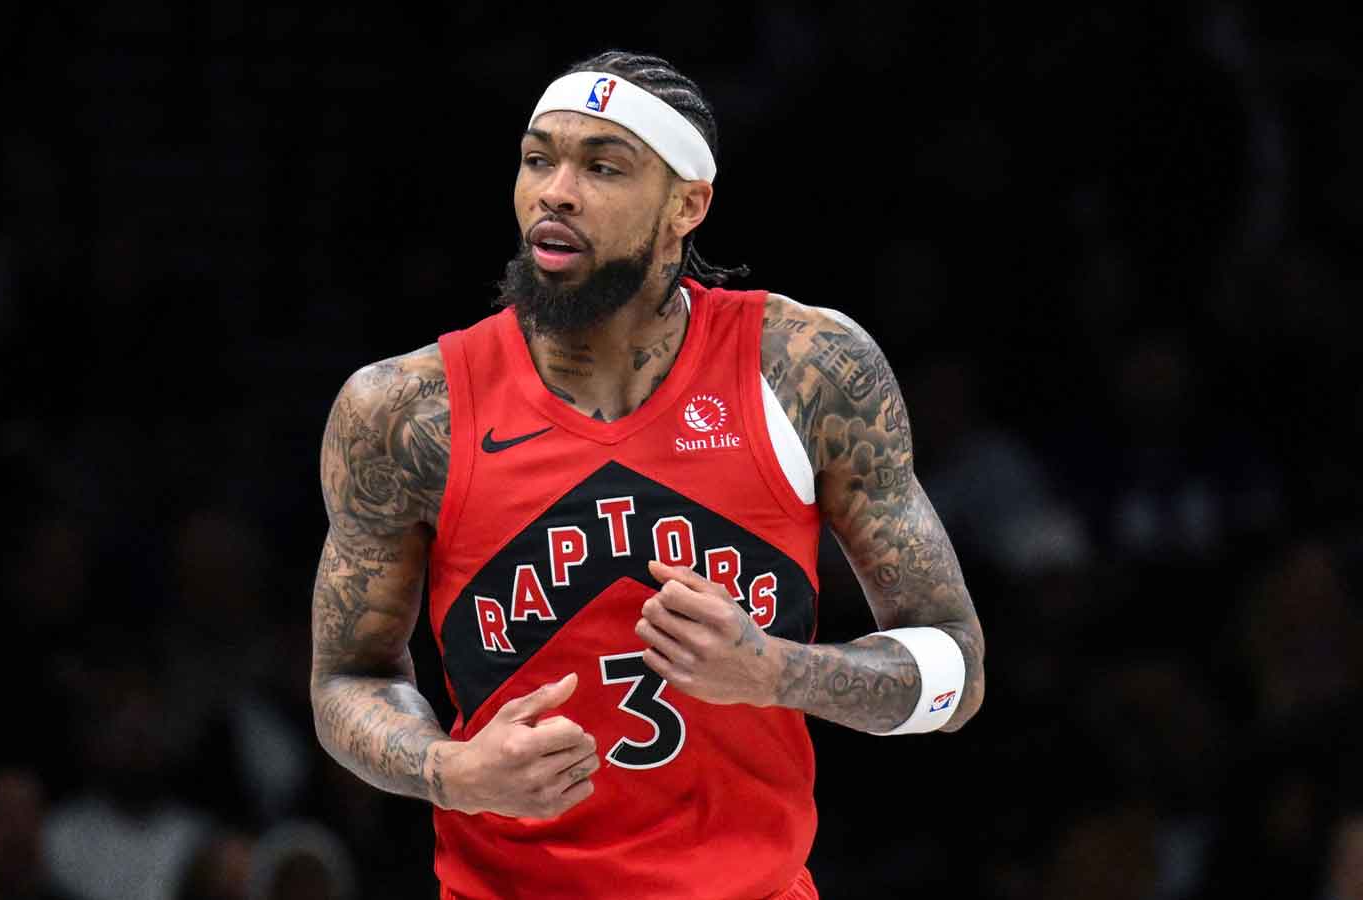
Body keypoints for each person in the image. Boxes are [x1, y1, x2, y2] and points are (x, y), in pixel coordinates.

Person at [310, 49, 986, 899]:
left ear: (686, 206)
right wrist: (449, 769)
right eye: (537, 158)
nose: (554, 190)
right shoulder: (407, 410)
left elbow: (955, 673)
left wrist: (778, 672)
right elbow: (348, 678)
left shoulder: (806, 369)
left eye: (602, 165)